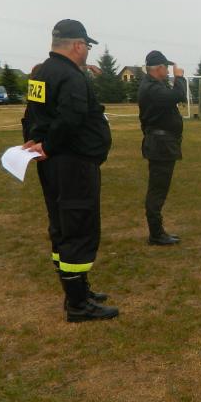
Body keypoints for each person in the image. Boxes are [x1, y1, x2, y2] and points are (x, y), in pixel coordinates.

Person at [21, 19, 118, 322]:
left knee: (62, 225)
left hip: (53, 165)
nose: (87, 51)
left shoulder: (42, 73)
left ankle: (77, 291)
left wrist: (35, 140)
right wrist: (49, 145)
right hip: (74, 164)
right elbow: (71, 118)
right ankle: (78, 305)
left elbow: (32, 114)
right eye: (87, 46)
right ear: (77, 45)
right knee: (78, 226)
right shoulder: (72, 76)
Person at [138, 51, 187, 246]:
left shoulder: (154, 85)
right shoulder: (151, 88)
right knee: (157, 190)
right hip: (160, 145)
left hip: (161, 143)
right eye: (166, 68)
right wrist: (179, 78)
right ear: (158, 68)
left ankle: (157, 231)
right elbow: (178, 95)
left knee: (159, 188)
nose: (168, 71)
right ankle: (156, 233)